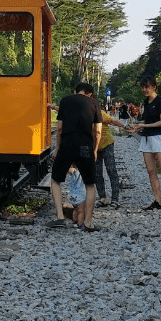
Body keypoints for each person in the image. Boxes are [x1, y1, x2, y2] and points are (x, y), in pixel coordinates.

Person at [47, 82, 101, 231]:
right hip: (85, 146)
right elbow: (97, 131)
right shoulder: (94, 103)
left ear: (75, 91)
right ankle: (89, 223)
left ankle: (60, 217)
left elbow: (59, 128)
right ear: (89, 93)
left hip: (67, 145)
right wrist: (95, 150)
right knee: (90, 185)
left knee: (56, 180)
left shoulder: (65, 101)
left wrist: (57, 148)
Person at [129, 77, 161, 215]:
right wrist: (136, 128)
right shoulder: (146, 102)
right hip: (146, 138)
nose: (145, 89)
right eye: (143, 87)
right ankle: (158, 202)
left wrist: (143, 125)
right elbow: (148, 120)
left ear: (154, 87)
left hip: (159, 137)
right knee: (151, 171)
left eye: (148, 87)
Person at [95, 105, 125, 208]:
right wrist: (54, 107)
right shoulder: (82, 113)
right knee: (97, 173)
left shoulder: (100, 113)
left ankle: (115, 199)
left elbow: (113, 121)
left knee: (111, 170)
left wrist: (124, 126)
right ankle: (102, 198)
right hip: (94, 147)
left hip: (107, 144)